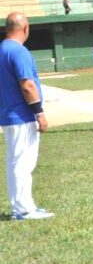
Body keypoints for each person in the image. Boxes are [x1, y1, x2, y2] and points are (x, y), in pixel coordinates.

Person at [0, 12, 54, 220]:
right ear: (25, 28)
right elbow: (27, 84)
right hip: (21, 115)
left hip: (8, 113)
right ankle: (22, 209)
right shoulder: (18, 51)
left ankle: (23, 205)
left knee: (15, 161)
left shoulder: (2, 49)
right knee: (23, 162)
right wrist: (39, 112)